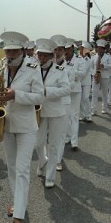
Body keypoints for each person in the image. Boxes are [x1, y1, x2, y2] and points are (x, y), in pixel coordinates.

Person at [0, 31, 44, 223]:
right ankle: (18, 202)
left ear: (22, 51)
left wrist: (16, 95)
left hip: (26, 126)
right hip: (7, 123)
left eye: (14, 51)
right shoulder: (1, 67)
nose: (10, 55)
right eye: (8, 51)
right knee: (11, 167)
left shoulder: (33, 68)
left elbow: (39, 96)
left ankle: (19, 215)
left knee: (23, 168)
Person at [34, 38, 70, 188]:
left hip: (56, 112)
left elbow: (66, 89)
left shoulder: (60, 71)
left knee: (54, 145)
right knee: (37, 142)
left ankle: (50, 176)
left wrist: (46, 91)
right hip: (38, 112)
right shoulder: (32, 69)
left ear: (51, 56)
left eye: (44, 55)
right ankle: (42, 160)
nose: (41, 58)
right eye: (39, 55)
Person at [50, 34, 69, 171]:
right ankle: (48, 158)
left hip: (64, 102)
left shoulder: (69, 66)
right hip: (47, 103)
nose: (57, 53)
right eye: (55, 50)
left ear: (64, 51)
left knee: (60, 133)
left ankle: (57, 160)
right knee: (45, 134)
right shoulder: (45, 65)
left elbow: (70, 85)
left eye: (60, 50)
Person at [63, 38, 85, 150]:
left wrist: (71, 72)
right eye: (64, 49)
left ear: (72, 48)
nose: (66, 51)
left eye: (68, 49)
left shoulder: (79, 60)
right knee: (66, 115)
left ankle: (74, 141)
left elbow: (82, 74)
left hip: (75, 90)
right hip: (65, 91)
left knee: (74, 116)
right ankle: (67, 137)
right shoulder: (62, 60)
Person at [91, 39, 107, 116]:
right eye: (98, 48)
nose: (100, 50)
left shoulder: (108, 57)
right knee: (94, 93)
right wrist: (93, 74)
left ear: (104, 50)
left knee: (104, 93)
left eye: (101, 48)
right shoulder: (93, 57)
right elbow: (90, 67)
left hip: (104, 76)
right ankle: (93, 110)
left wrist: (105, 66)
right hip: (96, 76)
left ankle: (104, 108)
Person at [79, 41, 94, 122]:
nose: (80, 50)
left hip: (86, 81)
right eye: (80, 48)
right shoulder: (78, 58)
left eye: (82, 48)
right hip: (79, 81)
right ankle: (82, 115)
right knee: (80, 99)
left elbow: (84, 70)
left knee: (86, 98)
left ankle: (88, 115)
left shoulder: (87, 59)